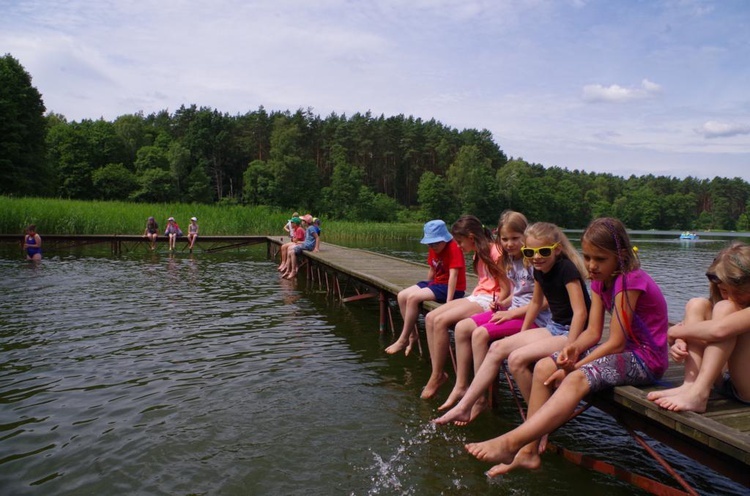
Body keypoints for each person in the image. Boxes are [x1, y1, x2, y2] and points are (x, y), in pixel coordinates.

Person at [463, 217, 668, 477]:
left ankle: (511, 442)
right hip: (625, 352)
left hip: (645, 359)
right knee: (545, 367)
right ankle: (528, 451)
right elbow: (593, 332)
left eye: (600, 260)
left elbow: (615, 342)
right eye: (588, 257)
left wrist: (575, 366)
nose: (591, 266)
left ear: (621, 256)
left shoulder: (629, 281)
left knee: (574, 379)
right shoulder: (598, 280)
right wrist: (572, 349)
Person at [434, 221, 590, 424]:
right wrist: (522, 334)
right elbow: (534, 303)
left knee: (516, 360)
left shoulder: (566, 269)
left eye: (543, 251)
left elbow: (580, 313)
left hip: (571, 332)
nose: (536, 257)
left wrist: (572, 347)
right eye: (529, 252)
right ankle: (466, 406)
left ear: (557, 249)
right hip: (554, 327)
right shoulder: (539, 269)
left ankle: (537, 422)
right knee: (498, 348)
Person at [439, 211, 551, 412]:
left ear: (526, 236)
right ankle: (462, 385)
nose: (509, 244)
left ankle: (480, 397)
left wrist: (510, 313)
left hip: (534, 319)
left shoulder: (533, 261)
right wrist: (503, 304)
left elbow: (541, 302)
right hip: (515, 311)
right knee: (463, 327)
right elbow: (516, 295)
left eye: (515, 238)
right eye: (505, 239)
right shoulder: (510, 261)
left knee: (480, 334)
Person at [647, 242, 750, 412]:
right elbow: (699, 328)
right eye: (724, 290)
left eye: (738, 292)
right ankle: (690, 385)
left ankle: (699, 394)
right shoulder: (724, 301)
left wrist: (674, 331)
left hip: (747, 388)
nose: (731, 297)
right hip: (723, 380)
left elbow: (720, 330)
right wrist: (681, 341)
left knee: (725, 309)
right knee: (697, 304)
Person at [420, 215, 511, 400]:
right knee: (431, 318)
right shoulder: (479, 253)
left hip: (490, 300)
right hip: (478, 295)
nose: (458, 246)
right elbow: (484, 283)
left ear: (471, 237)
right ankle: (437, 373)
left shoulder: (495, 253)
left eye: (460, 242)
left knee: (441, 321)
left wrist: (500, 306)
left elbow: (506, 288)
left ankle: (445, 378)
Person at [385, 220, 467, 356]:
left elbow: (454, 276)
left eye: (435, 243)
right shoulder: (433, 249)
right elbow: (432, 269)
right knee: (402, 296)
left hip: (452, 288)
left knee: (413, 298)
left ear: (444, 239)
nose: (432, 246)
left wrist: (449, 302)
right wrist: (425, 285)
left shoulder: (454, 248)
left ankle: (403, 339)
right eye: (430, 243)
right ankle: (412, 335)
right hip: (437, 283)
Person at [283, 215, 321, 279]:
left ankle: (293, 270)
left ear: (306, 222)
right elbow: (308, 240)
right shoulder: (308, 228)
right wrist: (300, 242)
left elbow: (317, 237)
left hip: (309, 246)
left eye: (303, 221)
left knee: (292, 252)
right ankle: (288, 270)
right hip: (306, 244)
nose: (301, 222)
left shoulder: (311, 228)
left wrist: (316, 248)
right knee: (290, 251)